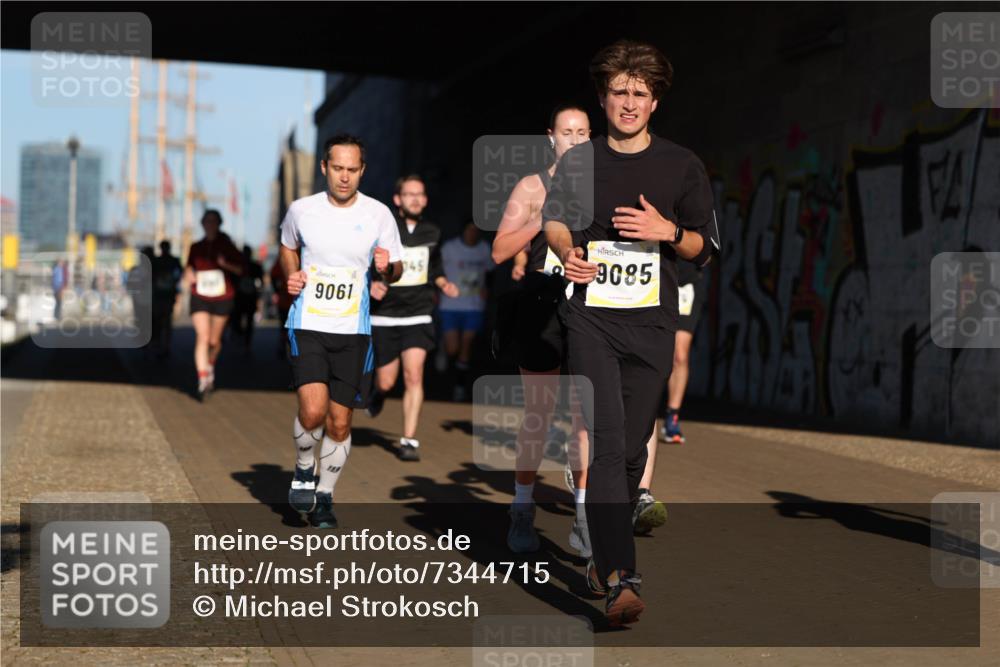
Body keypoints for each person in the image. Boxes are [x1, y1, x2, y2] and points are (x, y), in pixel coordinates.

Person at [543, 40, 718, 626]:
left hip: (651, 324)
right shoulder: (579, 161)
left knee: (633, 447)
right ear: (603, 97)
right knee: (609, 440)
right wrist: (568, 252)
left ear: (655, 101)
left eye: (639, 93)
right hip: (590, 318)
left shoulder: (681, 165)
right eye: (618, 91)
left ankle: (599, 559)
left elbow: (705, 247)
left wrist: (667, 230)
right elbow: (555, 222)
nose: (628, 102)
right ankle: (622, 577)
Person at [282, 134, 403, 529]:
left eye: (353, 170)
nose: (345, 177)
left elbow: (396, 268)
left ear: (362, 170)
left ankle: (325, 496)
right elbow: (287, 246)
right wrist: (291, 274)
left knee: (339, 423)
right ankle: (303, 468)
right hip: (308, 323)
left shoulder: (379, 214)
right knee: (313, 411)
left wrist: (387, 267)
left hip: (353, 331)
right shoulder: (302, 210)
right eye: (338, 169)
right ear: (324, 168)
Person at [491, 104, 593, 558]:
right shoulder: (532, 187)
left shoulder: (602, 187)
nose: (574, 139)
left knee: (585, 417)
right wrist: (542, 219)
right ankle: (522, 506)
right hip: (542, 309)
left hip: (589, 309)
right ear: (550, 136)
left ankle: (586, 516)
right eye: (566, 132)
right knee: (539, 413)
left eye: (583, 133)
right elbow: (498, 251)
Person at [367, 174, 458, 461]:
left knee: (414, 374)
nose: (416, 199)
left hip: (418, 314)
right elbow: (363, 261)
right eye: (409, 194)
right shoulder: (383, 230)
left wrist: (444, 283)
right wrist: (371, 283)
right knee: (386, 381)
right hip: (385, 316)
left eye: (420, 194)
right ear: (398, 199)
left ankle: (409, 440)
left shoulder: (432, 232)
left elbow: (435, 267)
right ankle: (378, 394)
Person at [184, 209, 244, 400]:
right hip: (200, 295)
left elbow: (241, 269)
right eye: (207, 221)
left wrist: (225, 264)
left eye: (213, 221)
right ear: (202, 224)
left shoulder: (227, 245)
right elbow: (188, 266)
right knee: (202, 336)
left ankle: (209, 364)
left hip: (222, 296)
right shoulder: (195, 246)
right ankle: (203, 379)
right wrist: (188, 274)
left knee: (213, 341)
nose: (209, 224)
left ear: (219, 224)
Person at [439, 221, 494, 401]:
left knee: (467, 343)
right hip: (450, 305)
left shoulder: (484, 249)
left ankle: (460, 386)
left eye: (476, 230)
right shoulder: (450, 248)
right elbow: (436, 270)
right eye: (469, 229)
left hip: (474, 305)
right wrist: (437, 289)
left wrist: (488, 289)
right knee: (453, 348)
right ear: (463, 230)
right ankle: (443, 347)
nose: (472, 233)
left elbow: (490, 272)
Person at [151, 240, 182, 358]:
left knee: (162, 320)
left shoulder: (161, 261)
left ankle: (162, 344)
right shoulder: (172, 261)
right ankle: (163, 344)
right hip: (164, 294)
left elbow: (179, 274)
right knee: (164, 320)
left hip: (164, 295)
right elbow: (180, 274)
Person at [232, 244, 264, 353]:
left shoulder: (255, 267)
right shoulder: (238, 266)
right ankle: (243, 338)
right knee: (238, 320)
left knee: (247, 321)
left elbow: (260, 282)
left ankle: (246, 342)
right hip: (241, 297)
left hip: (249, 297)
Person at [270, 257, 294, 359]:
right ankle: (285, 347)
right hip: (285, 300)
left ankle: (290, 347)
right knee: (284, 326)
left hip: (296, 301)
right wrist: (276, 291)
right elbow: (273, 275)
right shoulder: (281, 260)